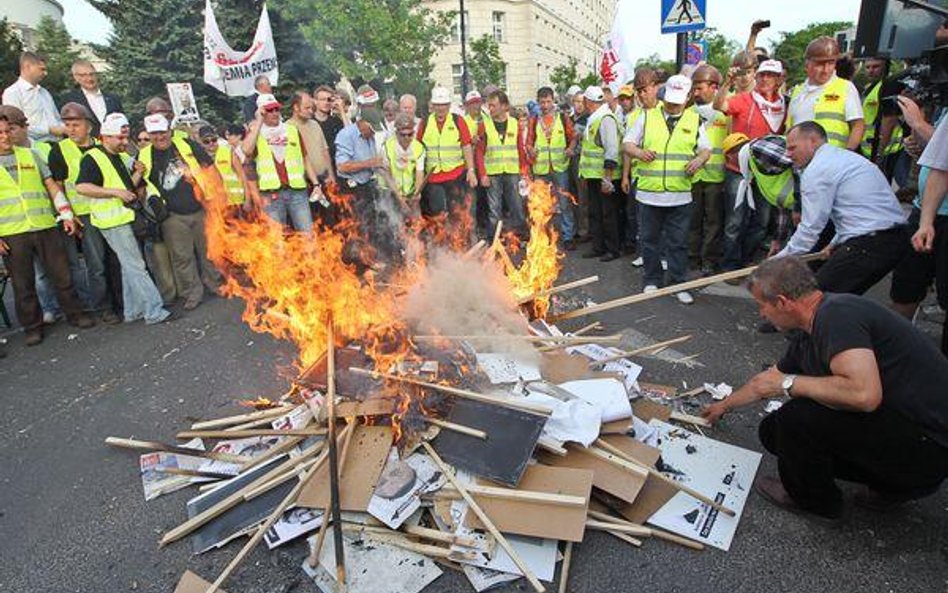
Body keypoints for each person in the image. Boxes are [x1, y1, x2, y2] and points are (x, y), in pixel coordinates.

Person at [702, 257, 948, 523]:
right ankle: (891, 485)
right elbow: (767, 381)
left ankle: (818, 503)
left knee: (795, 419)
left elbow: (864, 395)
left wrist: (791, 384)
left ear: (783, 302)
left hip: (931, 445)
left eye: (762, 305)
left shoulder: (838, 315)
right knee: (773, 432)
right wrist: (723, 405)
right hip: (910, 433)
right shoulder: (809, 328)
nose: (761, 314)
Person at [778, 121, 907, 294]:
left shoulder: (818, 170)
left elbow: (810, 228)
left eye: (792, 148)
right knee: (839, 301)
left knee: (812, 302)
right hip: (892, 239)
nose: (788, 154)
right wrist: (836, 242)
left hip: (870, 243)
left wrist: (779, 261)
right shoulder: (845, 159)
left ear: (813, 141)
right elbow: (857, 210)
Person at [0, 113, 95, 346]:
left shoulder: (30, 155)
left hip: (44, 226)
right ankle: (32, 327)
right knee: (23, 284)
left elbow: (51, 185)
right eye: (0, 133)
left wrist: (66, 213)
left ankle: (76, 313)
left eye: (7, 130)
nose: (5, 136)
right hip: (13, 232)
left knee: (62, 273)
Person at [76, 113, 171, 325]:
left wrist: (137, 174)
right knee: (136, 266)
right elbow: (81, 186)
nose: (124, 142)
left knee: (129, 266)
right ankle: (154, 311)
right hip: (112, 221)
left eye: (125, 138)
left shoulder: (117, 157)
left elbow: (127, 187)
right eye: (119, 138)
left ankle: (133, 311)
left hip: (123, 217)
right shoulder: (93, 157)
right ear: (104, 137)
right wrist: (115, 193)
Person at [624, 75, 710, 303]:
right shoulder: (647, 117)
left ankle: (678, 283)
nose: (673, 106)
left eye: (678, 102)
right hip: (649, 193)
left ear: (688, 97)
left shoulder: (695, 120)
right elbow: (627, 144)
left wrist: (699, 160)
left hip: (679, 195)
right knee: (649, 240)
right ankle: (652, 280)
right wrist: (640, 153)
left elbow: (706, 150)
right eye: (670, 101)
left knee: (678, 242)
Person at [46, 102, 121, 323]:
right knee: (95, 264)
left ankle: (120, 301)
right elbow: (58, 186)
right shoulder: (59, 150)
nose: (71, 129)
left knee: (115, 259)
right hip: (85, 215)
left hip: (110, 211)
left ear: (88, 125)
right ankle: (104, 307)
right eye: (67, 125)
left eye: (76, 124)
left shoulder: (102, 145)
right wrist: (68, 213)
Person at [140, 114, 223, 311]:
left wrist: (218, 195)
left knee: (208, 251)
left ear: (169, 130)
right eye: (154, 133)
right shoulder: (143, 156)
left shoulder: (185, 145)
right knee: (182, 257)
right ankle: (192, 293)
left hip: (199, 207)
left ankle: (215, 284)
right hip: (172, 216)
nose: (159, 137)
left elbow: (208, 167)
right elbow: (140, 185)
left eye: (162, 132)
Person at [714, 59, 787, 272]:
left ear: (779, 79)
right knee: (734, 222)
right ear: (756, 76)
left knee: (762, 222)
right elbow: (719, 105)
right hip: (739, 171)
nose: (765, 79)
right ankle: (729, 266)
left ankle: (744, 262)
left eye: (771, 75)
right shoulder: (745, 99)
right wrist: (727, 83)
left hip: (767, 174)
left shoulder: (785, 104)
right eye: (762, 74)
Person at [901, 107, 948, 355]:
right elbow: (941, 167)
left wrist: (918, 123)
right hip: (928, 213)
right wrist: (926, 221)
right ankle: (896, 349)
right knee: (906, 285)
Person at [242, 93, 319, 233]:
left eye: (276, 109)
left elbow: (305, 158)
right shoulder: (255, 134)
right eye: (269, 110)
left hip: (297, 192)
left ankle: (311, 256)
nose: (275, 113)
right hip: (271, 195)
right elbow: (246, 151)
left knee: (307, 234)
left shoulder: (291, 130)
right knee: (277, 241)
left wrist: (316, 184)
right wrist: (258, 122)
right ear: (261, 112)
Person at [335, 106, 398, 267]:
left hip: (366, 186)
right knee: (357, 226)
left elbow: (374, 163)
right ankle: (358, 264)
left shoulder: (368, 136)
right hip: (351, 189)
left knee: (370, 225)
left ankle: (370, 260)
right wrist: (370, 163)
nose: (372, 133)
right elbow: (342, 166)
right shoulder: (346, 136)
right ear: (361, 122)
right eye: (371, 128)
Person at [416, 86, 478, 235]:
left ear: (449, 105)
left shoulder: (458, 121)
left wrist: (471, 170)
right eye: (437, 105)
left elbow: (466, 146)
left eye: (443, 105)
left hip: (455, 175)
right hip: (433, 178)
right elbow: (418, 150)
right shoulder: (425, 123)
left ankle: (458, 242)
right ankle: (441, 243)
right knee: (438, 213)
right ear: (432, 106)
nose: (441, 109)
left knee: (457, 212)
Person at [786, 37, 864, 150]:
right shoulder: (797, 92)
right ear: (807, 64)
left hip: (832, 160)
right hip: (800, 162)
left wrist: (847, 155)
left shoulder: (845, 87)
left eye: (831, 63)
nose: (826, 70)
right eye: (820, 64)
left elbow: (858, 125)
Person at [526, 86, 578, 249]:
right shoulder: (534, 120)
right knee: (542, 205)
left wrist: (571, 148)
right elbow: (528, 142)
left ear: (553, 101)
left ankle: (568, 236)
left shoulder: (562, 119)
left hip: (560, 166)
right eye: (542, 102)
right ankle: (545, 236)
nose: (545, 105)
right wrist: (531, 149)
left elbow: (573, 137)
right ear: (538, 102)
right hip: (541, 169)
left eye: (548, 101)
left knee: (564, 203)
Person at [688, 64, 728, 275]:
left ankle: (709, 260)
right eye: (694, 88)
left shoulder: (725, 111)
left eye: (700, 88)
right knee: (693, 220)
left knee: (713, 222)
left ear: (714, 87)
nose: (695, 92)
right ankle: (692, 257)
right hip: (694, 176)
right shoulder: (689, 112)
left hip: (716, 175)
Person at [622, 68, 664, 265]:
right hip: (640, 177)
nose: (641, 95)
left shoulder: (668, 110)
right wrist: (625, 176)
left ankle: (663, 256)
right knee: (641, 220)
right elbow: (627, 148)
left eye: (644, 89)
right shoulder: (634, 117)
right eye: (638, 91)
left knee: (662, 222)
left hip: (664, 178)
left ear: (656, 87)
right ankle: (643, 254)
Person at [579, 86, 622, 263]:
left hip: (605, 177)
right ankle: (598, 247)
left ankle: (612, 250)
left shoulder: (605, 119)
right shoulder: (596, 118)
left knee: (608, 215)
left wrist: (607, 178)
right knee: (596, 213)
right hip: (594, 176)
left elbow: (611, 150)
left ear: (588, 102)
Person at [476, 90, 527, 237]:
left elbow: (520, 148)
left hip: (512, 172)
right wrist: (483, 174)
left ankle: (521, 236)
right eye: (489, 106)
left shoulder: (514, 124)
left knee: (516, 206)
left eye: (494, 106)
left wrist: (524, 170)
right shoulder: (484, 125)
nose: (490, 109)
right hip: (492, 173)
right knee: (494, 209)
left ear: (504, 106)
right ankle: (494, 240)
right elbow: (479, 152)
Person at [2, 52, 65, 144]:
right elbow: (15, 125)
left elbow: (56, 118)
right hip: (34, 147)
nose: (45, 73)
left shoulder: (44, 92)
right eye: (41, 69)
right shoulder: (13, 93)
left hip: (58, 144)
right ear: (27, 67)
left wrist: (65, 128)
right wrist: (49, 130)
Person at [60, 59, 124, 137]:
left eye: (91, 74)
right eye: (83, 75)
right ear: (75, 77)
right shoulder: (68, 100)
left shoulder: (113, 99)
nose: (89, 78)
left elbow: (122, 124)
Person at [288, 91, 334, 189]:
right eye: (307, 108)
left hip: (325, 179)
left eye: (312, 108)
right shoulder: (288, 128)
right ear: (296, 107)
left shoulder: (315, 124)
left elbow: (325, 151)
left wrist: (331, 175)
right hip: (305, 183)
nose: (311, 111)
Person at [202, 125, 250, 213]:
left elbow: (243, 176)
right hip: (217, 206)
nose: (211, 143)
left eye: (213, 140)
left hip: (236, 203)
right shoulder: (199, 158)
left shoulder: (228, 152)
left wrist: (248, 200)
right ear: (201, 143)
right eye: (206, 141)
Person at [382, 112, 426, 209]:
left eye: (410, 134)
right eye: (403, 135)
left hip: (410, 193)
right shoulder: (387, 147)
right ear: (397, 133)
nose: (406, 138)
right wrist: (400, 200)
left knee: (414, 221)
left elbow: (419, 173)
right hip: (390, 191)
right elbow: (388, 175)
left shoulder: (419, 148)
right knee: (394, 220)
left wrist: (417, 193)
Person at [569, 90, 590, 243]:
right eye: (576, 101)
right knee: (572, 196)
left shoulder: (588, 119)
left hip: (582, 160)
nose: (579, 105)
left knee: (583, 197)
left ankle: (585, 229)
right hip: (569, 161)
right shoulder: (568, 119)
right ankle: (575, 227)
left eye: (582, 102)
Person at [313, 85, 345, 171]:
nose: (326, 102)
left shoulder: (336, 122)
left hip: (336, 168)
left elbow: (349, 137)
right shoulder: (309, 122)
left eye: (329, 99)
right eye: (322, 99)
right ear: (315, 101)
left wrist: (341, 110)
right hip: (317, 170)